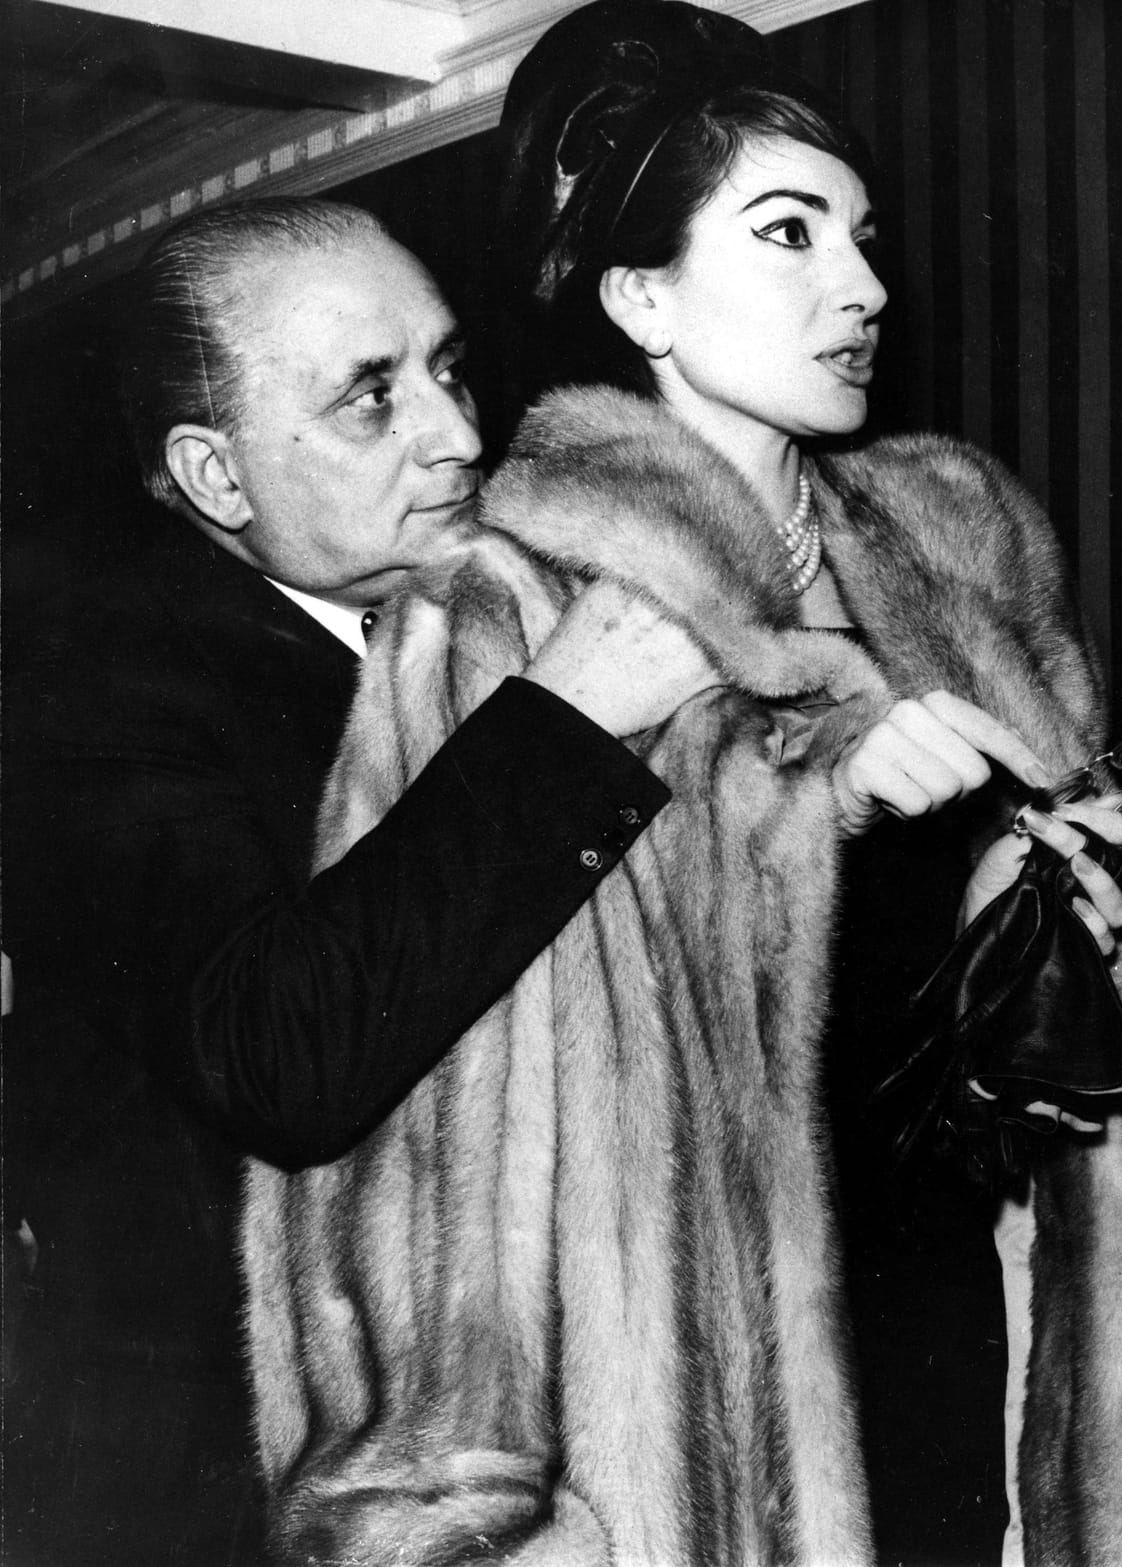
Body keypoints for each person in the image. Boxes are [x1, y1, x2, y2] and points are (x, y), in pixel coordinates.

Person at [239, 6, 1122, 1566]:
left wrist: (1050, 925)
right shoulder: (502, 610)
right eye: (788, 234)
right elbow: (432, 1127)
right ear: (639, 293)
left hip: (1001, 1348)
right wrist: (816, 800)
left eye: (862, 238)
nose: (863, 286)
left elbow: (1075, 1071)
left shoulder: (963, 548)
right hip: (706, 1436)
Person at [0, 197, 717, 1561]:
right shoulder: (87, 683)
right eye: (369, 398)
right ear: (217, 479)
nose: (457, 436)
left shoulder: (477, 622)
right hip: (235, 1479)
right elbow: (277, 1054)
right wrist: (566, 725)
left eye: (448, 368)